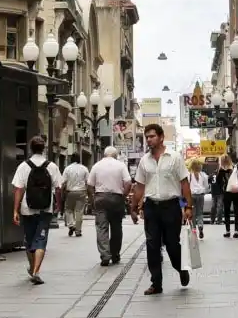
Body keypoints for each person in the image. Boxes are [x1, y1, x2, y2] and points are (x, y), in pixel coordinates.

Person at [130, 124, 193, 295]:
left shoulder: (174, 158)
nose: (149, 140)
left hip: (171, 206)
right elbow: (140, 187)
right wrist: (134, 207)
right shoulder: (144, 161)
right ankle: (156, 283)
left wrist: (188, 206)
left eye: (152, 136)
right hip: (151, 207)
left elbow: (184, 183)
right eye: (147, 137)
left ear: (161, 137)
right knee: (152, 246)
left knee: (173, 245)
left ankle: (181, 269)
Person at [12, 136, 63, 285]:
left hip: (27, 209)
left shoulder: (23, 166)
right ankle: (36, 271)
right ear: (44, 148)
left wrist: (15, 210)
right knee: (41, 240)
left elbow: (18, 189)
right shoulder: (52, 166)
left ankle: (32, 267)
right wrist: (58, 204)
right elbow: (59, 188)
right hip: (45, 208)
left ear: (30, 148)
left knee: (29, 240)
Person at [87, 146, 131, 266]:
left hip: (100, 198)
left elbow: (90, 185)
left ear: (104, 154)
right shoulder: (121, 165)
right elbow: (128, 182)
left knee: (102, 228)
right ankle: (115, 254)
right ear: (115, 155)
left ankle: (105, 256)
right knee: (117, 228)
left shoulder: (96, 165)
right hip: (117, 198)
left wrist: (92, 199)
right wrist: (124, 195)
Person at [217, 153, 238, 237]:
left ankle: (228, 231)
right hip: (237, 192)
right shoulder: (236, 167)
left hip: (227, 193)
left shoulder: (222, 170)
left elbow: (218, 182)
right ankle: (236, 231)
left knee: (227, 212)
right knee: (237, 212)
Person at [62, 153, 89, 237]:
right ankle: (78, 231)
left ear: (71, 159)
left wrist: (63, 192)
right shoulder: (84, 168)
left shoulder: (67, 169)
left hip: (70, 192)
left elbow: (63, 182)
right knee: (79, 211)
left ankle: (71, 225)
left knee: (68, 209)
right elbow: (88, 182)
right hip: (81, 192)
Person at [189, 160, 210, 238]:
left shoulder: (189, 175)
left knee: (193, 213)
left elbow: (187, 186)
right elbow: (206, 186)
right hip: (201, 195)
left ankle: (194, 229)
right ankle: (200, 227)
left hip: (192, 195)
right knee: (200, 212)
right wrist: (204, 191)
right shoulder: (203, 175)